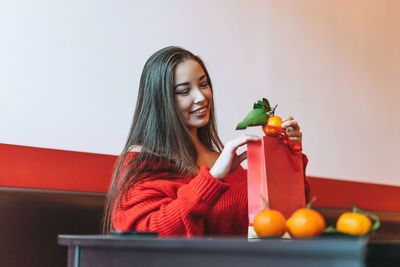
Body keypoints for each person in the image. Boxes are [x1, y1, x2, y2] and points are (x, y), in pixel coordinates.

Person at [102, 46, 308, 237]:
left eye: (203, 84)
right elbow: (148, 235)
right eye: (184, 91)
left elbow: (284, 218)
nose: (201, 97)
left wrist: (289, 157)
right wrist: (213, 178)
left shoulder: (226, 163)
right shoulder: (143, 163)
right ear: (160, 101)